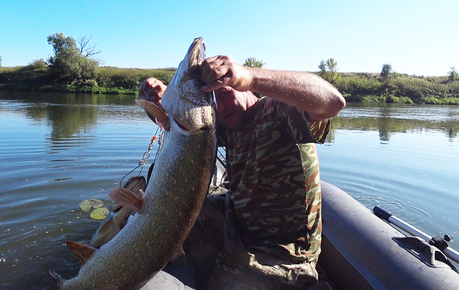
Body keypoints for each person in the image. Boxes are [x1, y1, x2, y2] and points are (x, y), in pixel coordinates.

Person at [139, 55, 345, 289]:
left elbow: (333, 102)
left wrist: (251, 75)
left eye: (225, 93)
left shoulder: (277, 112)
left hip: (283, 252)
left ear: (246, 89)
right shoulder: (229, 127)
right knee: (183, 216)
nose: (222, 108)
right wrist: (163, 97)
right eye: (216, 101)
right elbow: (179, 122)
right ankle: (211, 270)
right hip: (238, 228)